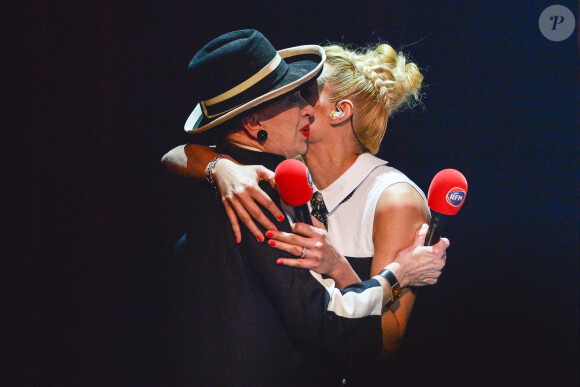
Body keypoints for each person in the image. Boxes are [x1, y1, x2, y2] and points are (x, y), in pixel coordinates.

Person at [167, 29, 448, 386]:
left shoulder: (386, 197)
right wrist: (398, 276)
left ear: (340, 112)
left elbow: (386, 342)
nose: (303, 105)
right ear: (251, 122)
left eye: (306, 93)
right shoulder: (252, 190)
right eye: (291, 95)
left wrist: (339, 268)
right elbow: (319, 318)